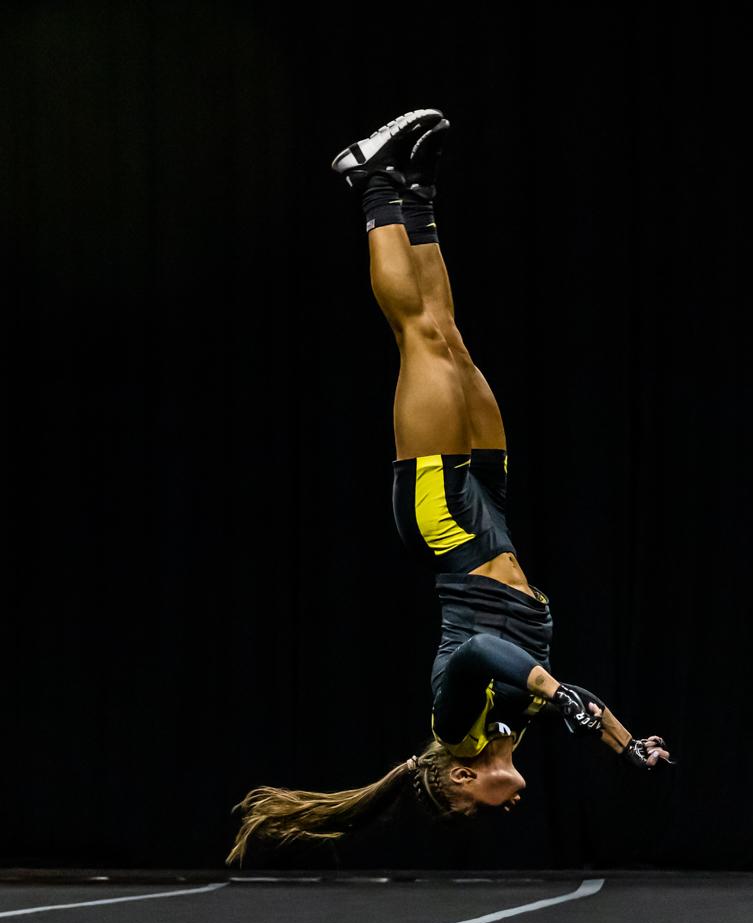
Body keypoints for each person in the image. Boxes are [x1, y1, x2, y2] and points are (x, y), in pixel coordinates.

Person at [226, 109, 671, 865]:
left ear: (460, 778)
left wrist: (553, 691)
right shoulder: (506, 734)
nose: (504, 807)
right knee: (453, 338)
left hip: (447, 525)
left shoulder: (454, 724)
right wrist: (629, 749)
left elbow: (479, 657)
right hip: (493, 522)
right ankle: (416, 194)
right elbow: (579, 702)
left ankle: (367, 182)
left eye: (474, 808)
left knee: (419, 336)